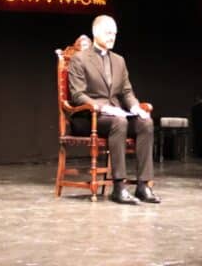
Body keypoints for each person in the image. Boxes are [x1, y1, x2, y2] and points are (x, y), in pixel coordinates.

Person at [67, 15, 160, 205]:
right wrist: (103, 108)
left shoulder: (119, 60)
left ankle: (143, 186)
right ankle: (119, 187)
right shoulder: (80, 59)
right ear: (95, 32)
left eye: (114, 34)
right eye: (108, 33)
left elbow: (126, 92)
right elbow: (78, 95)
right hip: (89, 116)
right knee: (119, 121)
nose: (112, 37)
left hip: (116, 116)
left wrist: (135, 106)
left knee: (146, 123)